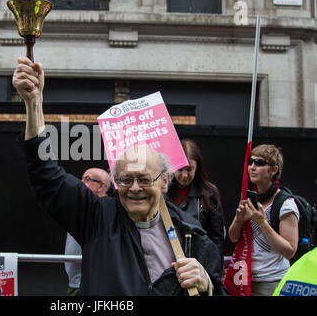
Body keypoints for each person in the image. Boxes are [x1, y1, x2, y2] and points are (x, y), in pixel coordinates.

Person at [13, 56, 227, 295]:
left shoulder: (190, 230)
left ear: (165, 181)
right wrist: (34, 103)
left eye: (145, 179)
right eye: (126, 179)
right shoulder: (96, 218)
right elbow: (46, 176)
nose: (134, 188)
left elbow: (220, 288)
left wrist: (207, 284)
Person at [228, 144, 299, 296]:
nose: (252, 167)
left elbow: (289, 251)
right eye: (251, 162)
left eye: (259, 163)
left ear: (274, 170)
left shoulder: (285, 204)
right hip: (244, 278)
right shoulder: (249, 197)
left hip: (272, 281)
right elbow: (233, 237)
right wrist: (239, 220)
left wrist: (262, 222)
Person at [165, 139, 225, 261]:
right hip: (168, 258)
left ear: (197, 167)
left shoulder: (209, 193)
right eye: (180, 169)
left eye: (189, 169)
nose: (185, 175)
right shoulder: (162, 192)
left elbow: (217, 238)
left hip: (199, 260)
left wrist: (214, 270)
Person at [64, 168, 111, 296]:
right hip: (75, 284)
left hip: (92, 287)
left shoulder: (106, 212)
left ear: (101, 186)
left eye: (87, 179)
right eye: (82, 178)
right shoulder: (79, 207)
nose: (81, 182)